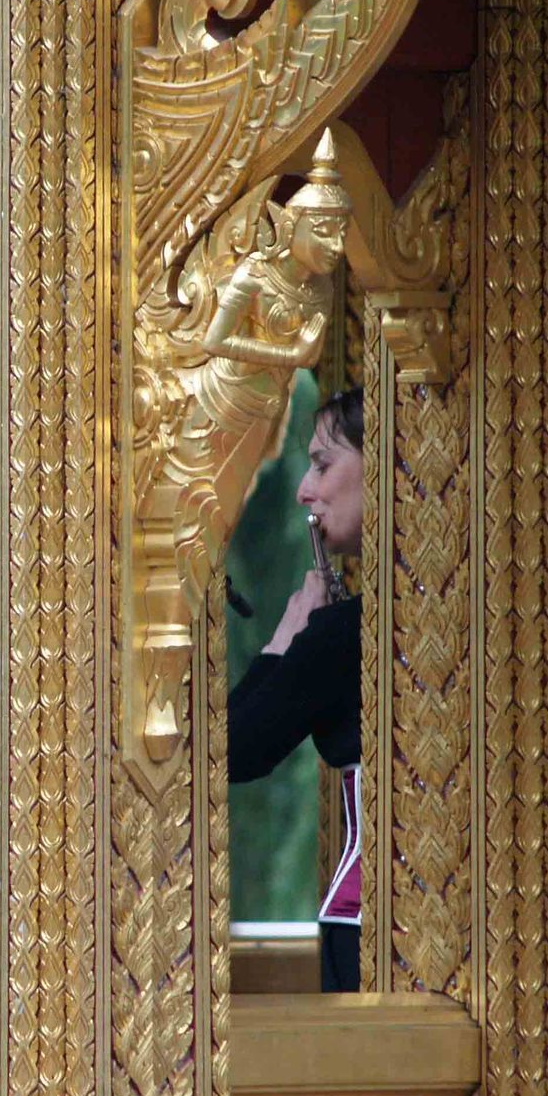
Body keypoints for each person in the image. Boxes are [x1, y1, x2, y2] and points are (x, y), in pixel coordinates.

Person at [227, 385, 364, 993]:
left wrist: (286, 634)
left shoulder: (342, 634)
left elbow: (234, 749)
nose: (305, 488)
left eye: (322, 464)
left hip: (360, 921)